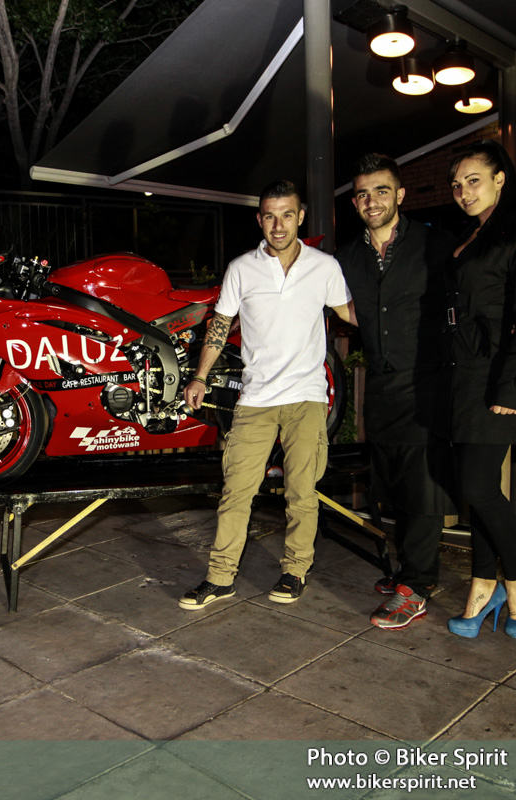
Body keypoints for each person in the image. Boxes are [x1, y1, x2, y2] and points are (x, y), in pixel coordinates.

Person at [179, 180, 353, 610]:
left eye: (287, 215)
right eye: (270, 216)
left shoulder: (324, 267)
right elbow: (220, 325)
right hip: (255, 399)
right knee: (236, 491)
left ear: (300, 217)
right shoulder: (242, 268)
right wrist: (200, 377)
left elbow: (352, 313)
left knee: (301, 493)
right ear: (260, 220)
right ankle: (220, 578)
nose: (279, 225)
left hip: (307, 397)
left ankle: (295, 571)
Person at [339, 154, 457, 630]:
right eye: (363, 194)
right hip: (382, 384)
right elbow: (343, 307)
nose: (372, 201)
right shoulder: (347, 256)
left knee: (423, 484)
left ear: (400, 195)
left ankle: (418, 585)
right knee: (395, 484)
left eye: (382, 191)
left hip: (428, 381)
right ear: (355, 202)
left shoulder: (436, 244)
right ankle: (410, 567)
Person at [443, 139, 516, 639]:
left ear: (500, 178)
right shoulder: (471, 234)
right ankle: (482, 588)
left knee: (479, 487)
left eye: (474, 180)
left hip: (496, 377)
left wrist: (514, 386)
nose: (463, 192)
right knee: (477, 489)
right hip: (461, 376)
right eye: (457, 184)